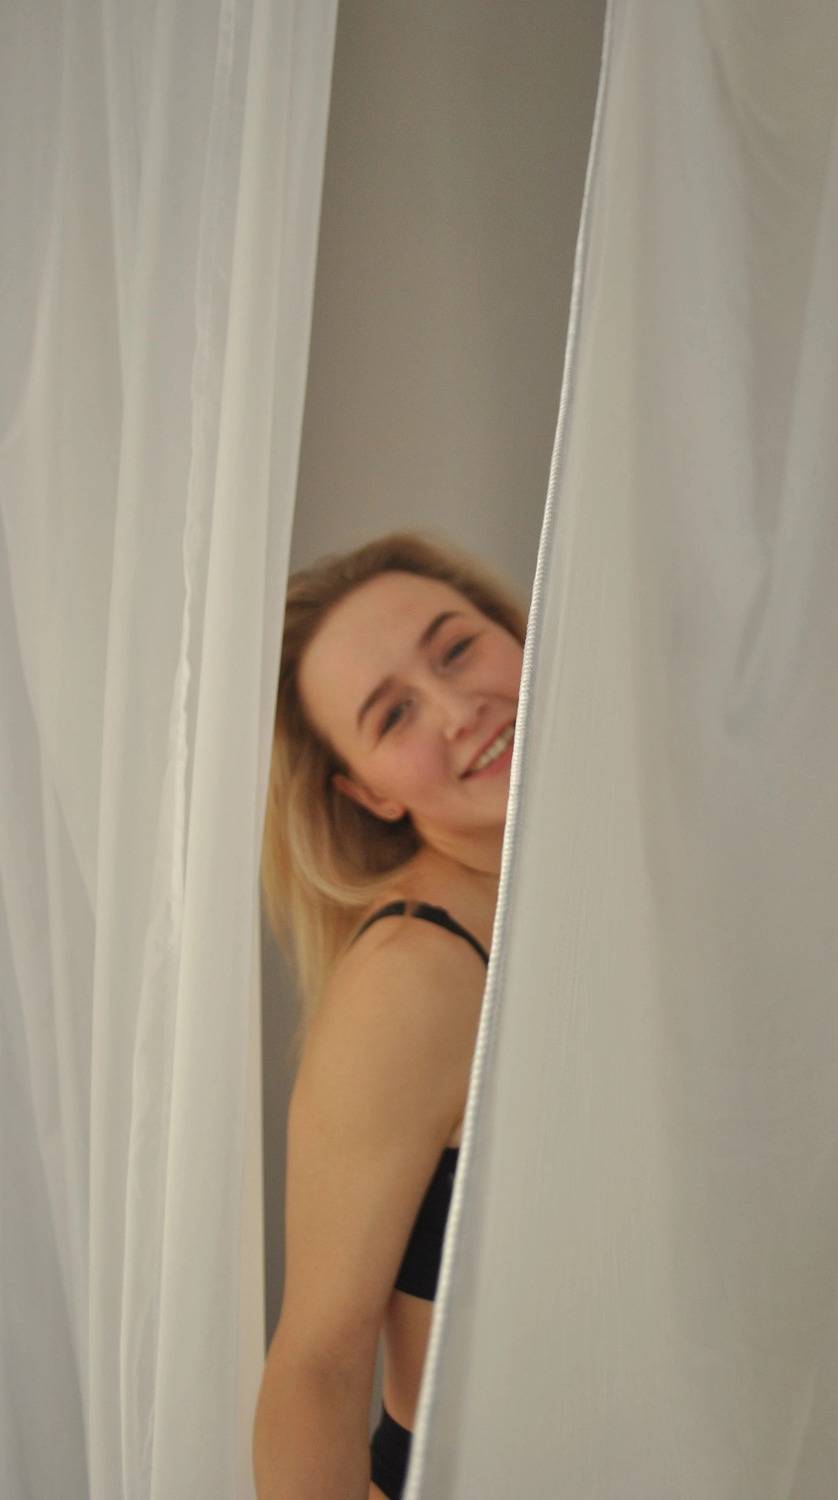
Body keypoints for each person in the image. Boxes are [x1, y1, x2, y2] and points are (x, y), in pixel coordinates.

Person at [252, 530, 527, 1499]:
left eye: (457, 648)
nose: (458, 710)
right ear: (366, 792)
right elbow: (315, 1371)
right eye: (394, 713)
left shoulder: (637, 869)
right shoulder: (412, 977)